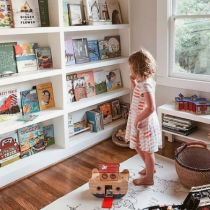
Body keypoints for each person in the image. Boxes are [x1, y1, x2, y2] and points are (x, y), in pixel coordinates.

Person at [125, 48, 161, 186]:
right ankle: (149, 167)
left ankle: (149, 178)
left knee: (147, 150)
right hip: (139, 120)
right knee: (138, 146)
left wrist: (138, 119)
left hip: (144, 122)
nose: (130, 70)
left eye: (131, 68)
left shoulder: (146, 85)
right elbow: (138, 94)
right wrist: (133, 82)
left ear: (137, 68)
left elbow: (151, 107)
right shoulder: (143, 82)